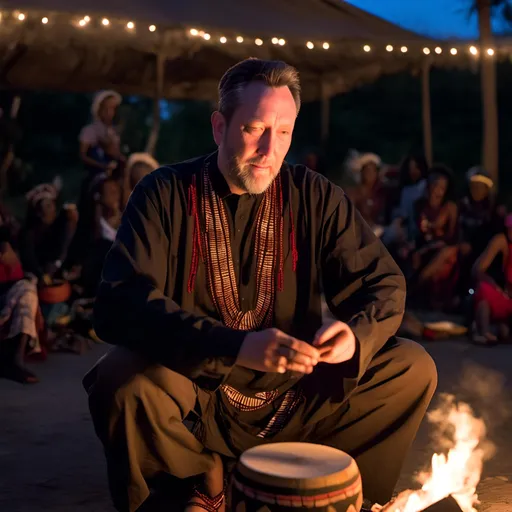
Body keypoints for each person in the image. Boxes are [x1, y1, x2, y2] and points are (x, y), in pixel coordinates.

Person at [83, 59, 437, 512]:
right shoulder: (163, 193)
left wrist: (355, 335)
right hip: (197, 396)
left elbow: (382, 283)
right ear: (219, 126)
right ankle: (202, 479)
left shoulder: (315, 195)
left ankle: (326, 490)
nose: (270, 149)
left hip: (295, 395)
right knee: (122, 382)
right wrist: (234, 346)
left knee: (410, 367)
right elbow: (119, 301)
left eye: (284, 132)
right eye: (254, 129)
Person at [471, 214, 512, 345]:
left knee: (504, 331)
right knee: (484, 290)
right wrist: (494, 284)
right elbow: (477, 269)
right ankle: (483, 331)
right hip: (499, 293)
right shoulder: (501, 240)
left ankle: (498, 328)